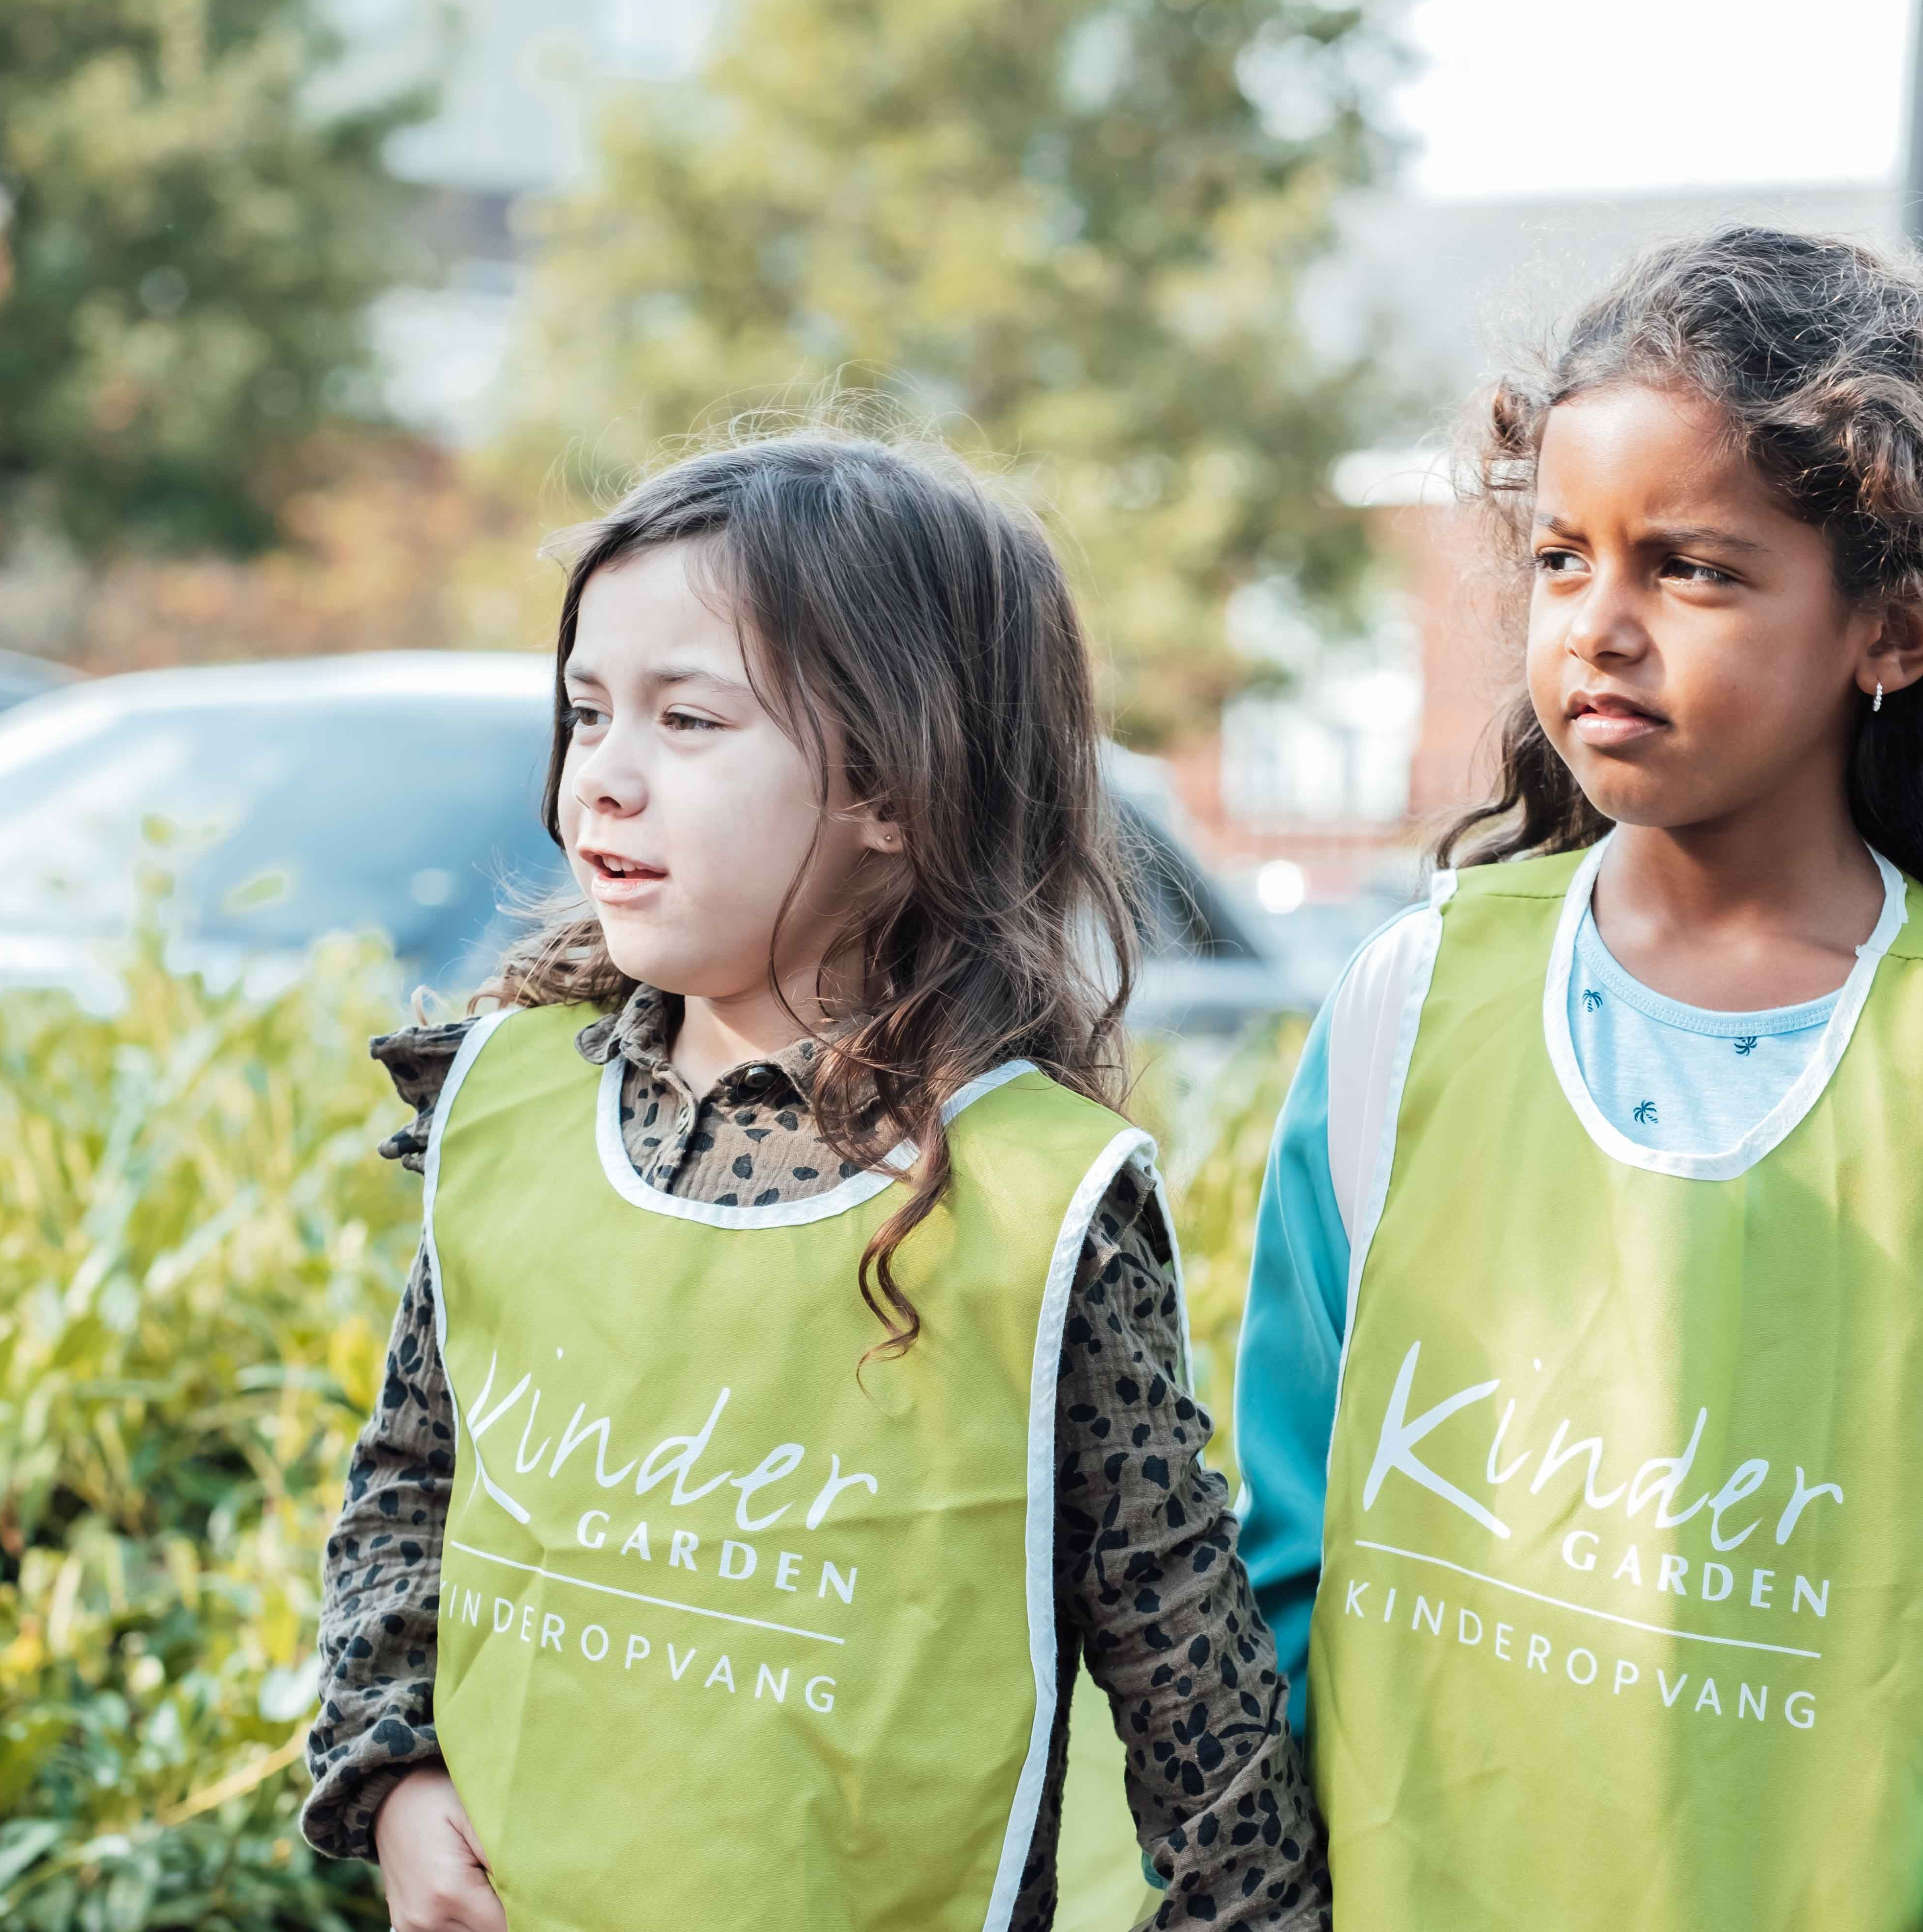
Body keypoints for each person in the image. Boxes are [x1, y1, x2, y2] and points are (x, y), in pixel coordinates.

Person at [298, 428, 1322, 1932]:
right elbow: (412, 1482)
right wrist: (395, 1772)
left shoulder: (1039, 1206)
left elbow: (1185, 1661)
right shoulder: (509, 1103)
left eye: (687, 720)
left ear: (896, 788)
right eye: (587, 713)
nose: (603, 780)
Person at [1235, 226, 1923, 1930]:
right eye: (1564, 559)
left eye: (1695, 571)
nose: (1603, 627)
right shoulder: (1411, 1004)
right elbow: (1280, 1545)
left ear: (1893, 632)